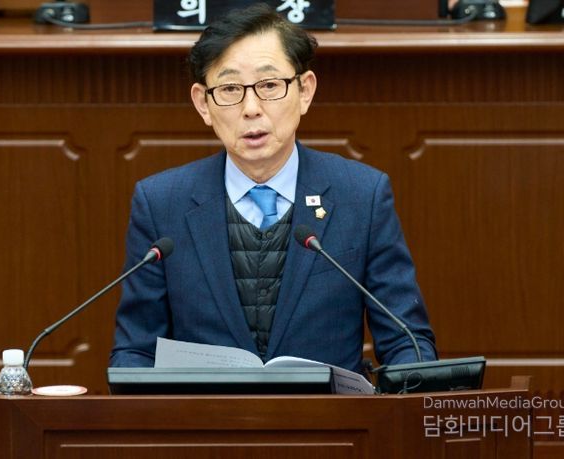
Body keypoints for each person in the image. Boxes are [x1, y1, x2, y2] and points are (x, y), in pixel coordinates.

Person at [109, 3, 437, 374]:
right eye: (230, 89)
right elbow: (135, 352)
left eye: (269, 86)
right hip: (207, 412)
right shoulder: (160, 203)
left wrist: (413, 384)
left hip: (329, 412)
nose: (251, 108)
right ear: (203, 103)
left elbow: (406, 341)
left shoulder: (362, 195)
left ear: (304, 91)